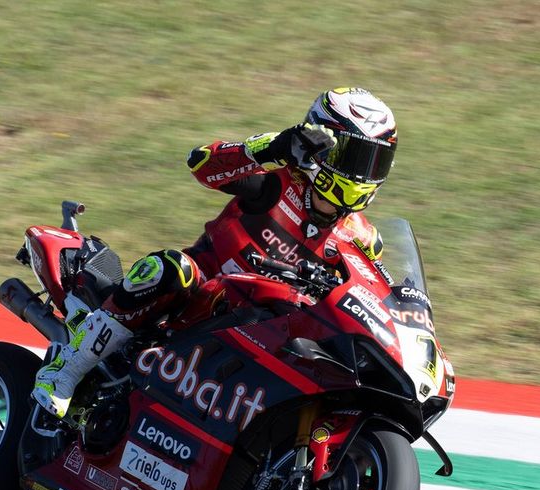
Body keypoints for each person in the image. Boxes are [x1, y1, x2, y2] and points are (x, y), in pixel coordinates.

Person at [32, 87, 398, 419]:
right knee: (168, 268)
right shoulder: (278, 181)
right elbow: (200, 164)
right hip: (203, 294)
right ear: (322, 144)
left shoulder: (362, 239)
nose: (365, 173)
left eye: (376, 162)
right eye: (357, 157)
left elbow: (375, 302)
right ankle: (65, 371)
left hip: (273, 329)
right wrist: (272, 147)